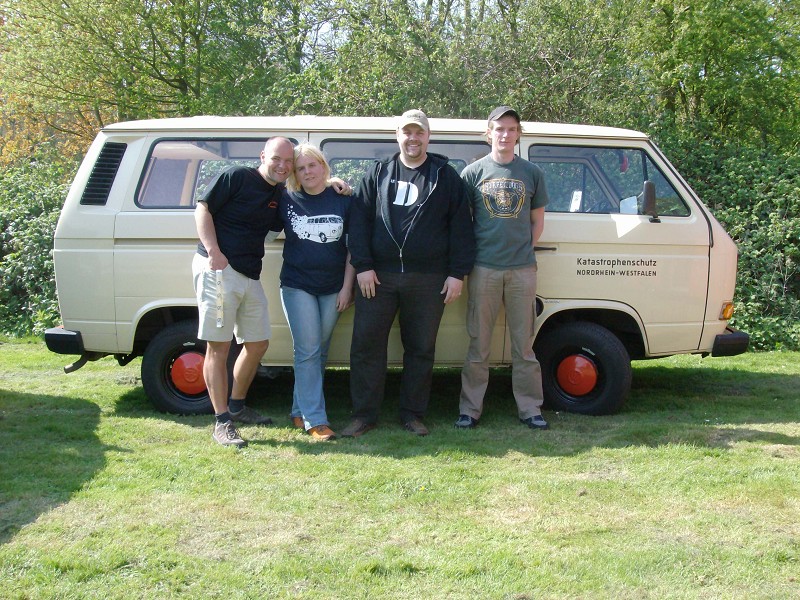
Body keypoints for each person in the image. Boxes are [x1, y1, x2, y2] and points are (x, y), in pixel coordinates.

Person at [194, 137, 349, 448]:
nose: (283, 165)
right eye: (277, 159)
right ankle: (222, 422)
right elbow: (203, 208)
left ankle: (238, 405)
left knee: (257, 343)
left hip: (249, 274)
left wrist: (335, 181)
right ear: (263, 155)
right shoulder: (237, 176)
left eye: (288, 162)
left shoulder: (281, 193)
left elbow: (314, 187)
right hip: (218, 270)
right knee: (219, 347)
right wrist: (213, 251)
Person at [342, 109, 476, 437]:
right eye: (407, 132)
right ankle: (364, 415)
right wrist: (364, 266)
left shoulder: (445, 177)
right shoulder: (377, 173)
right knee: (366, 347)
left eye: (419, 132)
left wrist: (457, 273)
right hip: (378, 278)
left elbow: (462, 227)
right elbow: (357, 223)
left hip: (429, 279)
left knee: (420, 350)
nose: (413, 138)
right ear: (397, 136)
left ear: (428, 136)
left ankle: (413, 414)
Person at [455, 106, 550, 431]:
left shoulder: (532, 172)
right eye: (499, 129)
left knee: (523, 345)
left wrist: (524, 248)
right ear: (489, 134)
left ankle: (530, 408)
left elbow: (538, 220)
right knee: (478, 343)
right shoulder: (473, 173)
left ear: (518, 134)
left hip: (523, 269)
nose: (505, 134)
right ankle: (470, 410)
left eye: (511, 129)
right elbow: (462, 223)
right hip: (483, 269)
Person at [275, 143, 355, 441]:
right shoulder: (286, 199)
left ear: (323, 166)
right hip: (297, 285)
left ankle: (298, 410)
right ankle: (315, 420)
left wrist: (347, 288)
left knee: (318, 351)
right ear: (294, 174)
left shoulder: (343, 199)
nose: (307, 172)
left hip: (333, 288)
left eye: (312, 165)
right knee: (308, 349)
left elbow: (352, 249)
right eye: (300, 168)